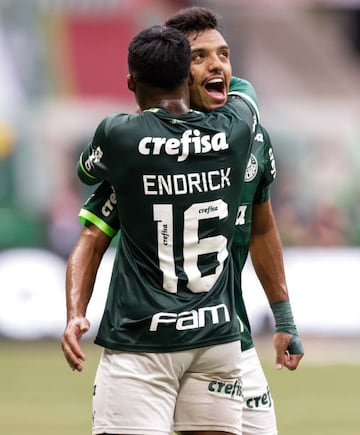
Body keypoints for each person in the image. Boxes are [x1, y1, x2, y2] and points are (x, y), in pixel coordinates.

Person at [62, 6, 304, 435]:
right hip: (190, 339)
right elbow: (93, 236)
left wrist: (283, 318)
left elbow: (262, 225)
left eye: (225, 55)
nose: (217, 65)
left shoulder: (132, 144)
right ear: (175, 69)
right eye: (199, 57)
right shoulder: (234, 133)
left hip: (230, 338)